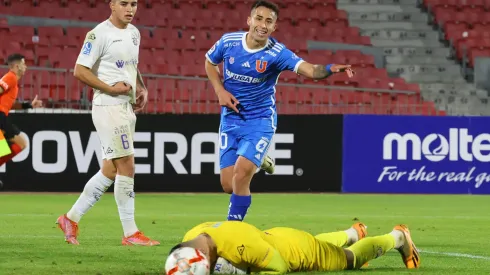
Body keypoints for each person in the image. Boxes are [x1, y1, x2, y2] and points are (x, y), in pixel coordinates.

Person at [204, 0, 355, 221]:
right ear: (249, 20)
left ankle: (233, 228)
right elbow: (209, 62)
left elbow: (311, 70)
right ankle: (261, 160)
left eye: (269, 21)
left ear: (275, 27)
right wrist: (219, 91)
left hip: (260, 120)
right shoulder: (228, 42)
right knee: (228, 184)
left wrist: (331, 68)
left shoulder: (277, 53)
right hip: (231, 118)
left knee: (241, 173)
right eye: (259, 18)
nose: (263, 25)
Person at [56, 0, 158, 246]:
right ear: (111, 5)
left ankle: (71, 218)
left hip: (124, 107)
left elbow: (131, 67)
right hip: (108, 107)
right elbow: (80, 70)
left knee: (111, 170)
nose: (130, 9)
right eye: (124, 3)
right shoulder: (98, 34)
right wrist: (110, 89)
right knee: (127, 165)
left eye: (134, 4)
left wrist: (140, 87)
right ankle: (131, 233)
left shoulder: (134, 33)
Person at [168, 221, 420, 274]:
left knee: (350, 259)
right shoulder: (192, 236)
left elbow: (277, 267)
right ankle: (352, 233)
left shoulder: (243, 246)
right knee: (318, 243)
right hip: (277, 237)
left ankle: (397, 237)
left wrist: (241, 272)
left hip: (295, 252)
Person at [0, 53, 43, 168]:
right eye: (24, 64)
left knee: (14, 147)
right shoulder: (11, 77)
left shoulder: (13, 81)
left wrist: (29, 105)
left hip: (2, 116)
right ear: (17, 66)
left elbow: (11, 105)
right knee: (18, 144)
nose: (26, 67)